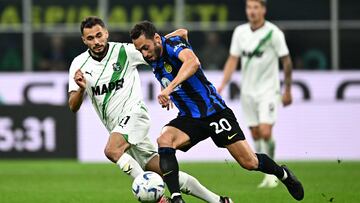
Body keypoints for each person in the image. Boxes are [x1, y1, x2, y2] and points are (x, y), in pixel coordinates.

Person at [130, 20, 304, 203]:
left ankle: (284, 174)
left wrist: (169, 89)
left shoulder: (172, 46)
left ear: (157, 39)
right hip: (190, 118)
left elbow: (193, 62)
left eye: (146, 47)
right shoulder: (155, 54)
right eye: (140, 50)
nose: (144, 54)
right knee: (164, 140)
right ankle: (176, 197)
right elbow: (183, 31)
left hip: (215, 112)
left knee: (249, 162)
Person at [68, 16, 232, 203]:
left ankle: (159, 199)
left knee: (112, 150)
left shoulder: (125, 51)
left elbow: (157, 47)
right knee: (165, 171)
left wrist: (169, 86)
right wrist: (81, 88)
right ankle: (219, 200)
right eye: (90, 38)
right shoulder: (78, 64)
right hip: (118, 128)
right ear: (84, 40)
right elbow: (73, 106)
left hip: (135, 115)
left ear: (106, 33)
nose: (96, 41)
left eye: (99, 35)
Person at [217, 0, 293, 188]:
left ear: (263, 10)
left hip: (268, 90)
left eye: (256, 7)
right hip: (247, 92)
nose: (252, 11)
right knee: (256, 133)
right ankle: (266, 170)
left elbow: (287, 61)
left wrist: (288, 90)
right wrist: (222, 85)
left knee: (266, 132)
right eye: (249, 7)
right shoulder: (240, 32)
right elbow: (233, 60)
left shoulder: (273, 33)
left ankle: (274, 173)